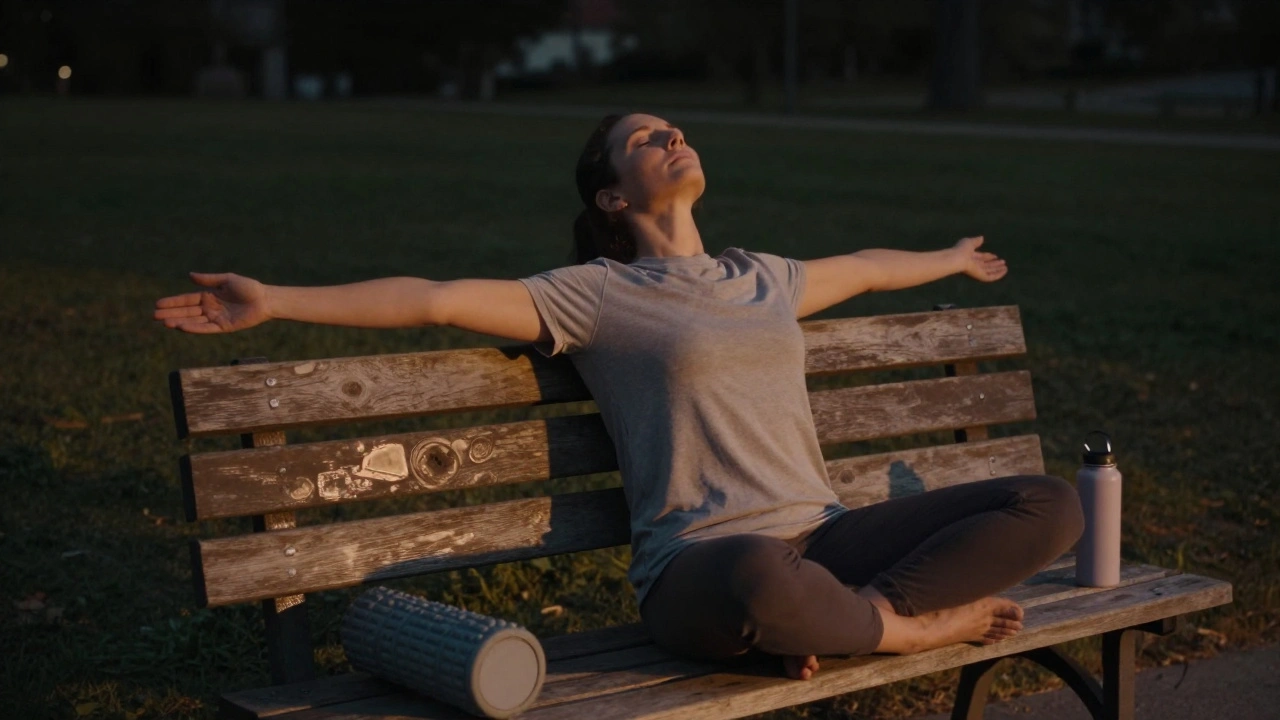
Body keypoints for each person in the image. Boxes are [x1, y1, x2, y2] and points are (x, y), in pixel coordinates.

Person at [155, 112, 1084, 681]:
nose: (673, 137)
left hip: (825, 538)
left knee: (1047, 504)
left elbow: (869, 270)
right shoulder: (594, 296)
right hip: (701, 569)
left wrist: (951, 259)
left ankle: (848, 622)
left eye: (675, 128)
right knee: (762, 576)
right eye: (647, 138)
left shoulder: (760, 276)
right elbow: (432, 300)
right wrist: (274, 300)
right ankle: (907, 634)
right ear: (610, 197)